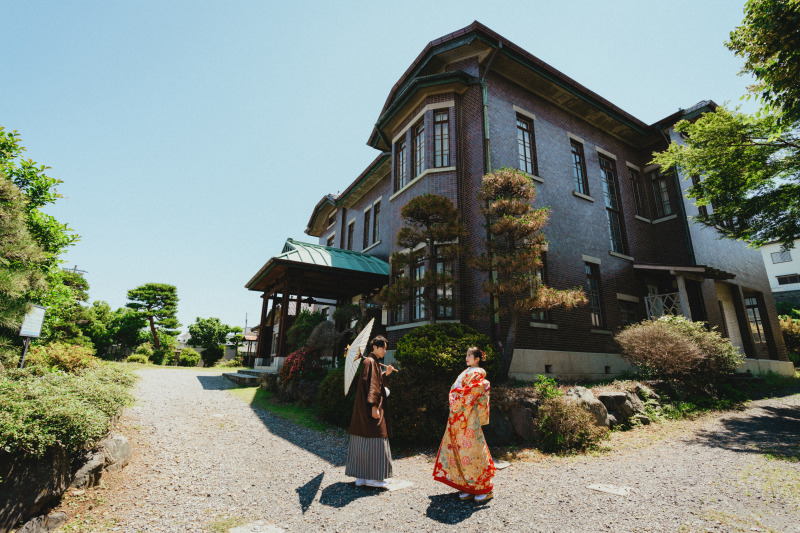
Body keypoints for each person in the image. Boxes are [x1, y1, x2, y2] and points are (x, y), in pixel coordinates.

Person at [432, 346, 496, 502]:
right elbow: (459, 389)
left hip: (469, 416)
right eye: (466, 355)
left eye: (470, 355)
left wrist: (455, 394)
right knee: (460, 450)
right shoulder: (467, 371)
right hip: (458, 416)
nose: (467, 358)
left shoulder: (478, 372)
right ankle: (467, 486)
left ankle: (484, 487)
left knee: (473, 450)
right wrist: (455, 395)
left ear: (477, 358)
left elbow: (474, 390)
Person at [345, 335, 395, 489]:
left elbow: (375, 381)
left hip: (362, 409)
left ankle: (361, 477)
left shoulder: (370, 362)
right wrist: (374, 407)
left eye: (385, 348)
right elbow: (373, 385)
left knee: (362, 440)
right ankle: (373, 478)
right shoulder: (371, 362)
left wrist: (385, 374)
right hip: (370, 408)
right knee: (376, 438)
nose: (384, 351)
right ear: (374, 347)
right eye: (383, 348)